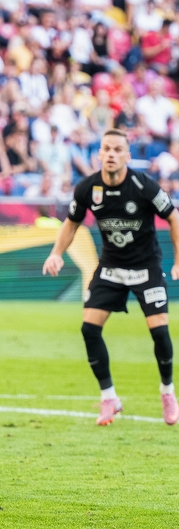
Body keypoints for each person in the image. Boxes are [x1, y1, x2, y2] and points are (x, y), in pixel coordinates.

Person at [42, 129, 179, 426]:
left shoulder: (143, 185)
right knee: (89, 329)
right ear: (100, 154)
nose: (112, 154)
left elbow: (173, 216)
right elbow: (71, 222)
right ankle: (109, 398)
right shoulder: (88, 188)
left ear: (128, 156)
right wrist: (56, 253)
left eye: (118, 149)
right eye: (107, 149)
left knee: (159, 332)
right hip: (111, 267)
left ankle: (167, 391)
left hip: (146, 268)